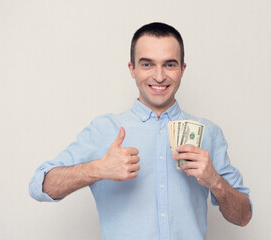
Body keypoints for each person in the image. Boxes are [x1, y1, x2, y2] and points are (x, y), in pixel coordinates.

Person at [29, 22, 252, 240]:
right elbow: (40, 185)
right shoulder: (104, 130)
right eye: (147, 65)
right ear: (132, 69)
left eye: (169, 64)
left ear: (182, 69)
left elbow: (243, 217)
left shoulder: (209, 133)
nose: (159, 76)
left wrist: (215, 180)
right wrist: (97, 169)